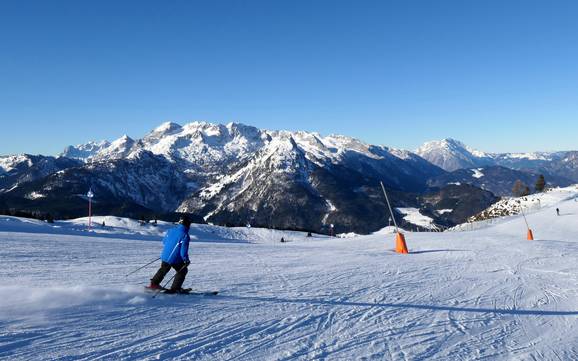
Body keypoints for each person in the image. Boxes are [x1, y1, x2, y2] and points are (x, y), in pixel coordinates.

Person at [148, 216, 191, 293]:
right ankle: (175, 289)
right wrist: (186, 260)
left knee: (164, 269)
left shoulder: (170, 230)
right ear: (187, 224)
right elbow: (183, 251)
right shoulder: (185, 235)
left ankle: (154, 284)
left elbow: (164, 242)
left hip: (164, 256)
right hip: (174, 258)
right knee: (182, 270)